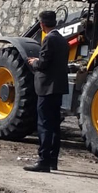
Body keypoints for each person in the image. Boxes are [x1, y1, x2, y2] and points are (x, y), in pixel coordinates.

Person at [23, 11, 69, 173]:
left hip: (46, 88)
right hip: (58, 88)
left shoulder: (49, 39)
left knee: (44, 125)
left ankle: (43, 160)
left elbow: (43, 64)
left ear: (42, 24)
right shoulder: (63, 40)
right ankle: (52, 160)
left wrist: (34, 62)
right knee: (55, 125)